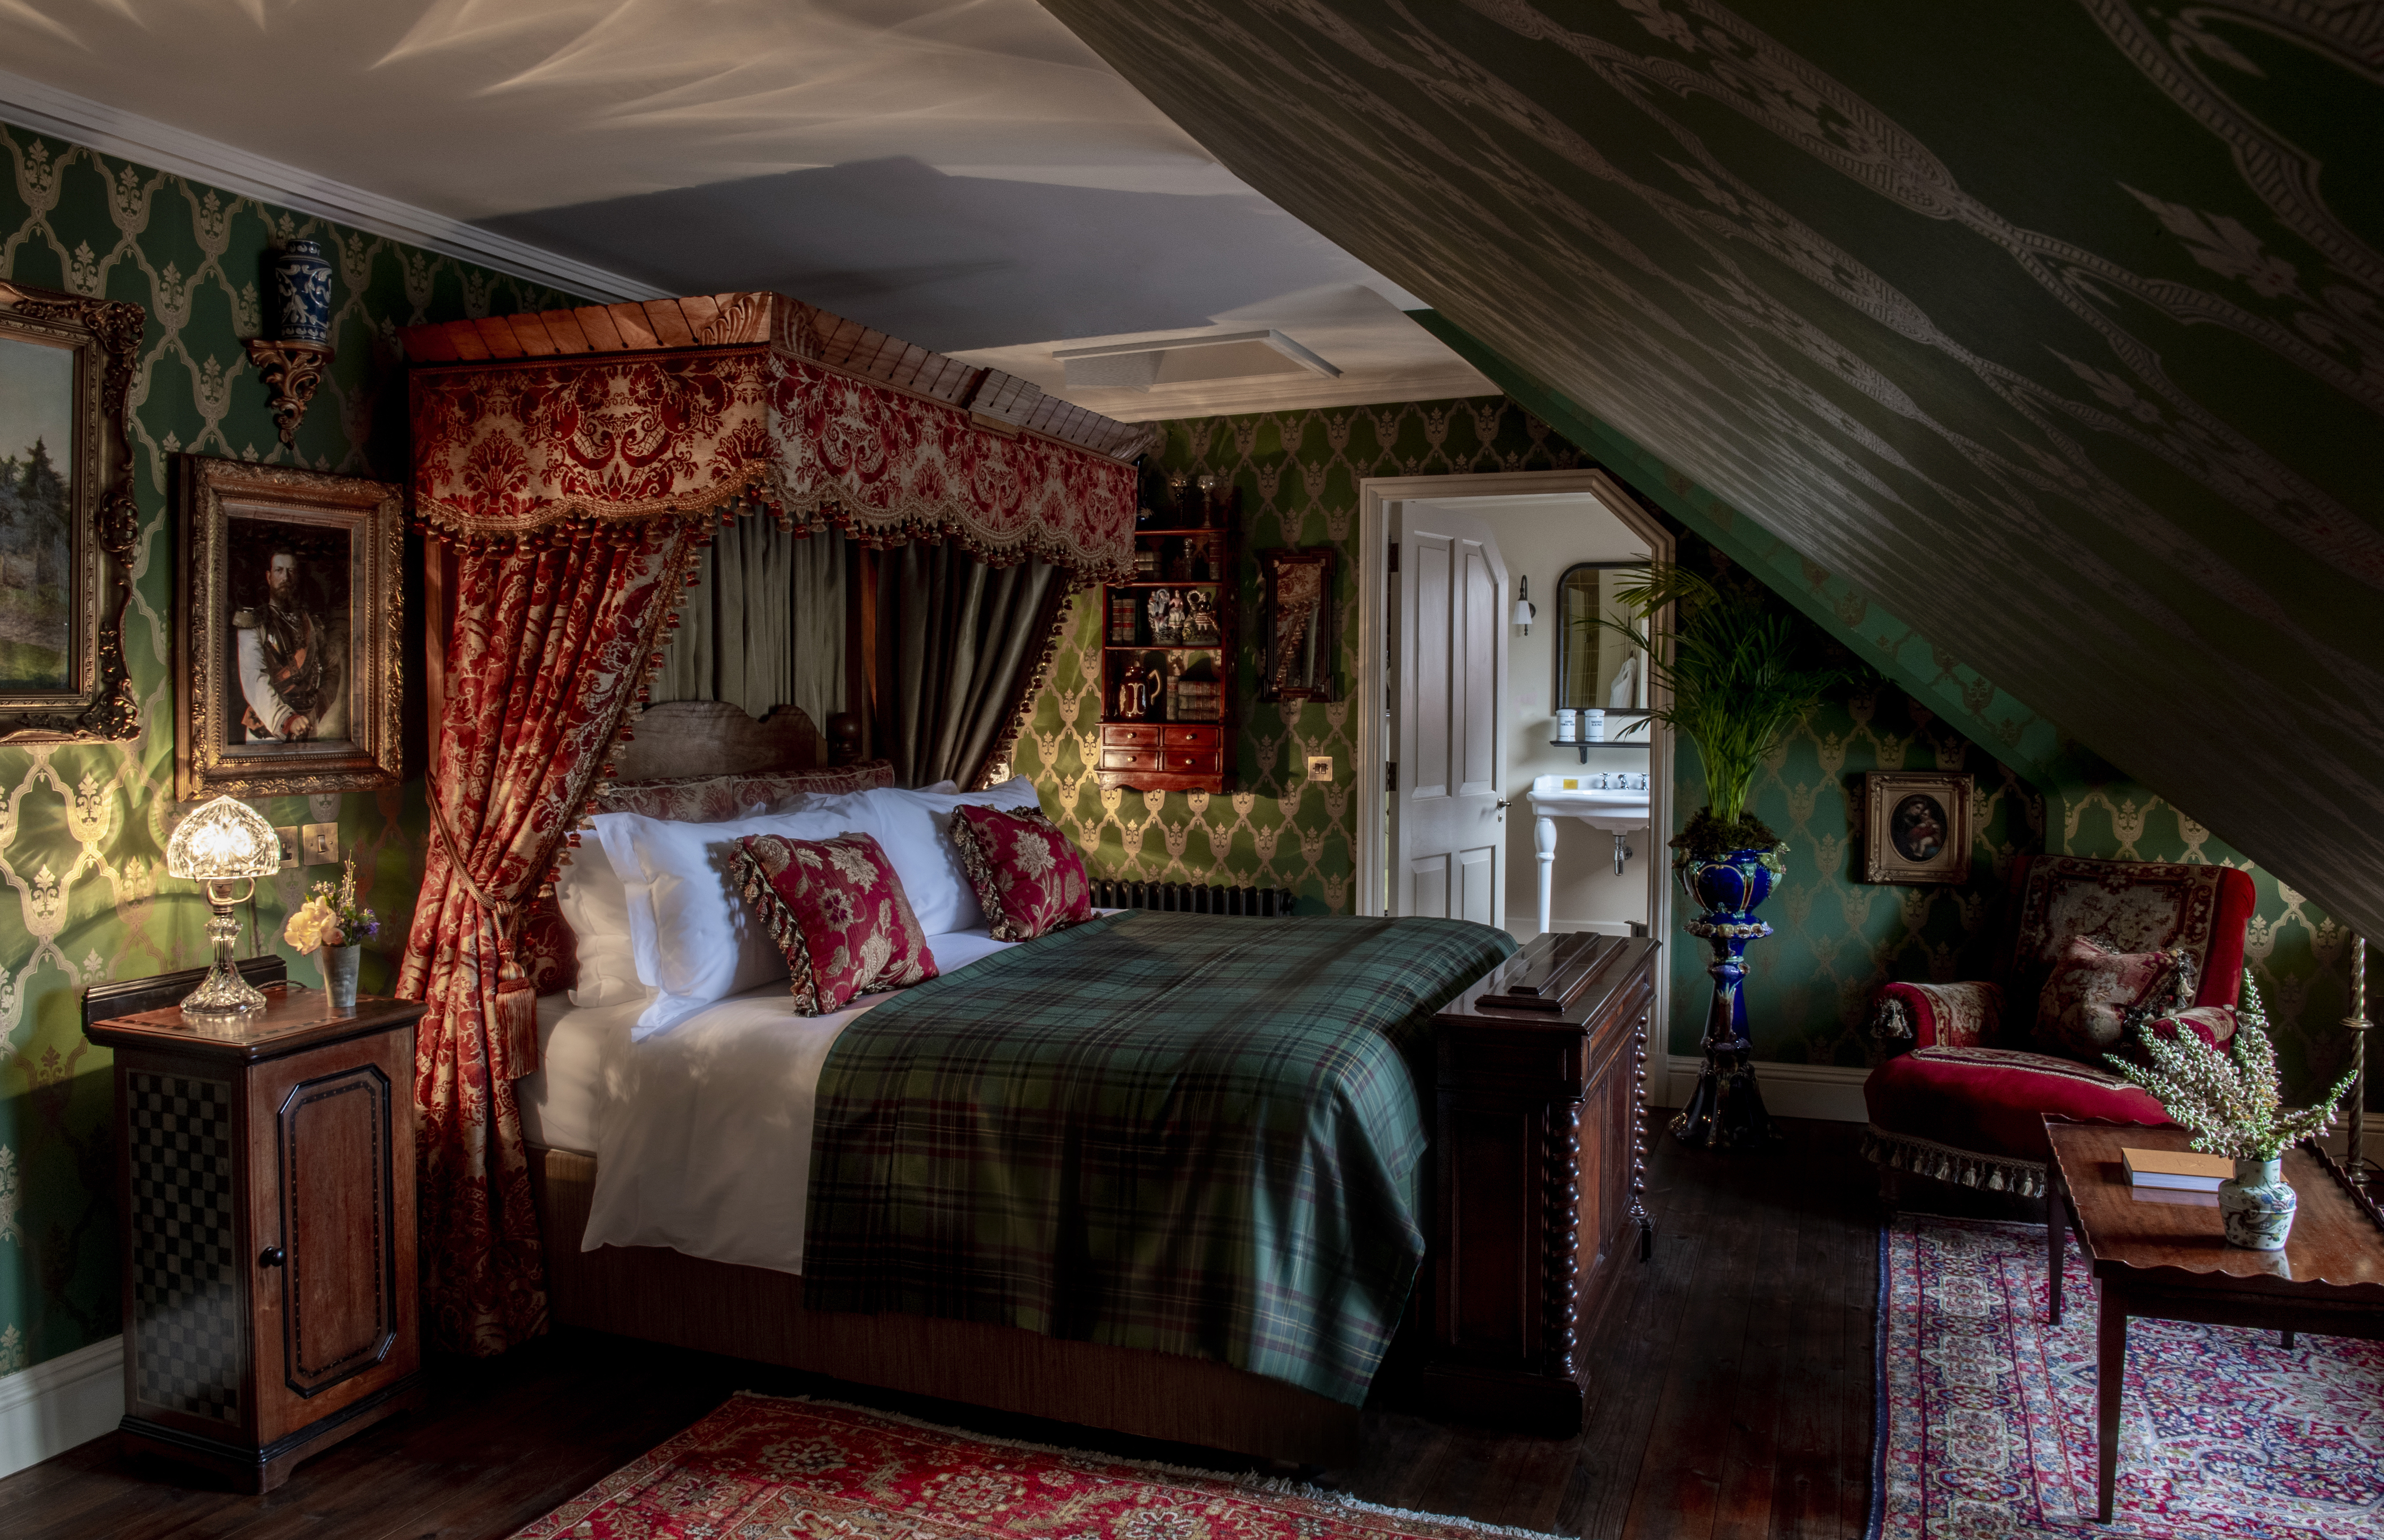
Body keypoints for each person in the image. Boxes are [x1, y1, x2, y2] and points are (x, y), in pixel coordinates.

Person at [234, 548, 342, 742]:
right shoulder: (253, 622)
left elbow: (333, 667)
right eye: (279, 571)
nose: (286, 577)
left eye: (291, 571)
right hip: (268, 729)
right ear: (269, 577)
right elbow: (254, 677)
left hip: (308, 726)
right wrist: (287, 719)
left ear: (298, 577)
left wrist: (319, 704)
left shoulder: (312, 624)